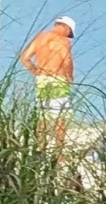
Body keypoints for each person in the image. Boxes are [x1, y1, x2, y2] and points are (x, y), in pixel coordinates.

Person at [18, 15, 75, 151]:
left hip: (42, 80)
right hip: (59, 80)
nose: (69, 35)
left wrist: (37, 71)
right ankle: (59, 152)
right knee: (61, 117)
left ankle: (40, 148)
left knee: (43, 116)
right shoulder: (63, 41)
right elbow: (66, 60)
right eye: (70, 32)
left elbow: (24, 58)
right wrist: (70, 76)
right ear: (65, 27)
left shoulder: (40, 37)